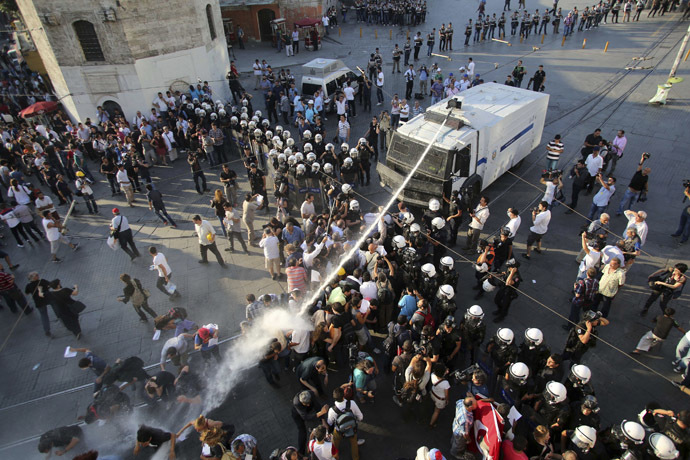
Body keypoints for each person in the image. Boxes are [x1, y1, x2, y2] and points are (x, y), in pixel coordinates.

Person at [327, 386, 365, 459]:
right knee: (354, 444)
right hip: (352, 428)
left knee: (335, 443)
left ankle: (334, 455)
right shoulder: (352, 403)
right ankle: (355, 458)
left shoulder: (332, 410)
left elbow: (330, 422)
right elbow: (360, 417)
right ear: (343, 396)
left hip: (339, 430)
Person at [293, 390, 329, 455]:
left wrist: (323, 421)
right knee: (302, 431)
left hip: (308, 411)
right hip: (298, 414)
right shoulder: (296, 402)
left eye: (309, 402)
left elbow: (318, 407)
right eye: (306, 404)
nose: (308, 404)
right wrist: (321, 413)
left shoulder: (311, 394)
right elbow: (305, 417)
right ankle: (301, 452)